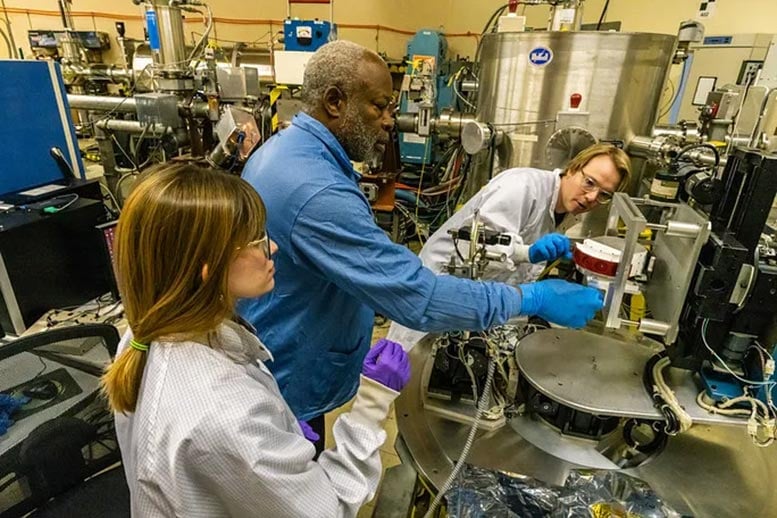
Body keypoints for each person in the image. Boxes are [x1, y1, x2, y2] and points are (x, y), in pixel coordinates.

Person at [239, 40, 604, 453]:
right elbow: (420, 297)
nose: (390, 122)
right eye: (380, 106)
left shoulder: (288, 152)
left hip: (283, 352)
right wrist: (531, 297)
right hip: (289, 375)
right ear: (336, 102)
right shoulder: (316, 189)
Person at [100, 163, 411, 518]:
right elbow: (330, 511)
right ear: (208, 268)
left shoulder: (144, 336)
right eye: (256, 241)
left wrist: (278, 436)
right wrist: (372, 407)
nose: (273, 247)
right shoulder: (225, 415)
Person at [387, 143, 632, 349]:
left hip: (481, 300)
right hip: (440, 286)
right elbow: (475, 245)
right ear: (573, 168)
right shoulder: (523, 187)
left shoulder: (566, 209)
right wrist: (528, 253)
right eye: (589, 182)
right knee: (402, 369)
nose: (592, 197)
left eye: (604, 195)